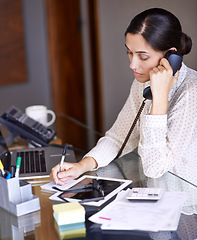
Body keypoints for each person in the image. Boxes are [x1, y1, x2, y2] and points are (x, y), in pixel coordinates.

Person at [50, 8, 197, 187]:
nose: (132, 65)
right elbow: (118, 137)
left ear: (171, 56)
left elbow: (154, 167)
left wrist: (159, 98)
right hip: (156, 194)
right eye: (129, 52)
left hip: (186, 204)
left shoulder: (191, 92)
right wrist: (82, 166)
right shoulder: (143, 83)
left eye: (142, 57)